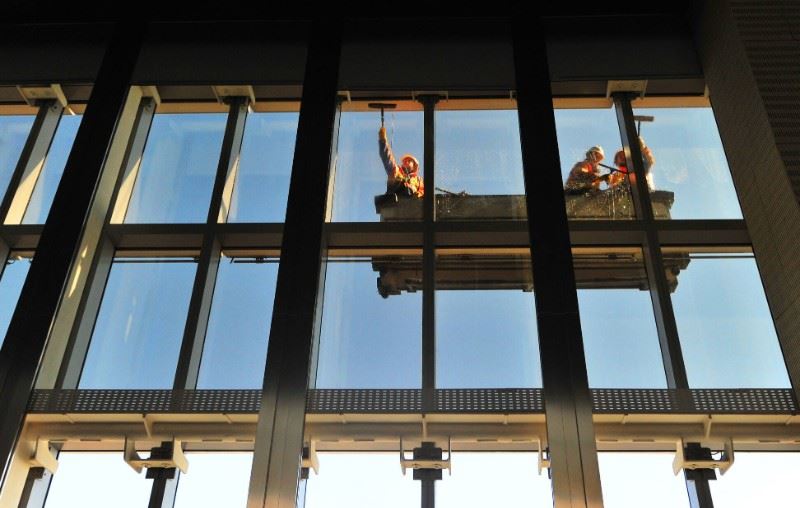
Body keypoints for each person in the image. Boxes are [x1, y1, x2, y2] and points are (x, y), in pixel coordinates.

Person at [378, 126, 424, 199]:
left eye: (409, 161)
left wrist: (416, 194)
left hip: (412, 203)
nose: (406, 162)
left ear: (414, 166)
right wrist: (383, 140)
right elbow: (387, 158)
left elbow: (423, 192)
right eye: (404, 161)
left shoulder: (419, 180)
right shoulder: (396, 171)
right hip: (396, 201)